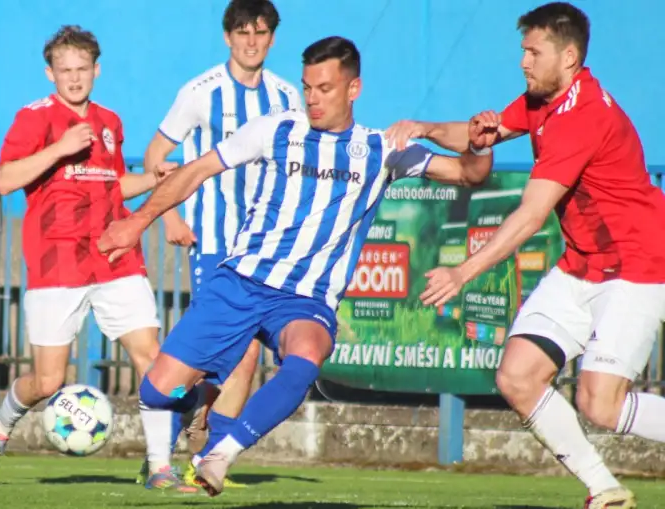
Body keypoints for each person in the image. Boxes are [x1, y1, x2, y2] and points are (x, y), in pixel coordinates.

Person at [100, 35, 495, 497]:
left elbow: (469, 173)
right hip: (241, 281)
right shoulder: (274, 130)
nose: (312, 98)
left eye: (325, 88)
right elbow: (197, 170)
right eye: (307, 87)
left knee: (307, 355)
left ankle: (220, 455)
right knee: (155, 393)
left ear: (354, 90)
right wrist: (138, 221)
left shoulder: (381, 149)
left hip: (305, 297)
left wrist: (468, 141)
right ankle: (198, 402)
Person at [389, 3, 665, 508]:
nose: (523, 61)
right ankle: (605, 491)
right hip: (582, 264)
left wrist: (463, 271)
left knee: (599, 404)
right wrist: (425, 127)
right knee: (516, 376)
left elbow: (531, 215)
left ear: (569, 56)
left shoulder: (583, 116)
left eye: (533, 52)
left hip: (635, 266)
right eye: (523, 50)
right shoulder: (544, 102)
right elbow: (480, 133)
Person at [0, 25, 196, 492]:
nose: (74, 79)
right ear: (49, 73)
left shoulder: (110, 121)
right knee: (48, 381)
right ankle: (2, 421)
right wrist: (59, 148)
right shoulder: (35, 119)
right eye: (64, 70)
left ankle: (159, 466)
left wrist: (155, 180)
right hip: (57, 263)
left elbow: (113, 183)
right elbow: (4, 180)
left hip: (115, 254)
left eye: (82, 69)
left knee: (152, 360)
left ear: (97, 70)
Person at [139, 0, 302, 489]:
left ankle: (202, 458)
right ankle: (170, 457)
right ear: (227, 37)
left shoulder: (286, 95)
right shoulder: (200, 92)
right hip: (213, 242)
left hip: (265, 251)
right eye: (242, 32)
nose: (251, 41)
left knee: (243, 358)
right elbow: (155, 154)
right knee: (225, 355)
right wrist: (169, 214)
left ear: (272, 38)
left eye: (261, 32)